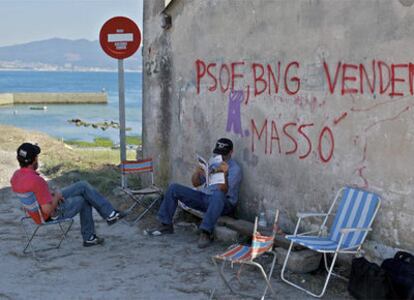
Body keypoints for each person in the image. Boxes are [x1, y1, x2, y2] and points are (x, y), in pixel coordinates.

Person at [10, 142, 126, 247]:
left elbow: (32, 194)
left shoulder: (16, 176)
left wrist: (50, 194)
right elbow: (47, 210)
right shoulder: (37, 181)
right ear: (34, 159)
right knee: (84, 198)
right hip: (50, 214)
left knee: (82, 186)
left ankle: (105, 220)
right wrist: (56, 197)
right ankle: (103, 222)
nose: (37, 159)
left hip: (36, 211)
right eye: (37, 157)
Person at [147, 138, 242, 248]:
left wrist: (224, 174)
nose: (221, 157)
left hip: (224, 204)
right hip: (205, 198)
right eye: (219, 153)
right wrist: (197, 172)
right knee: (174, 188)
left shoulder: (235, 169)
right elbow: (195, 183)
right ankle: (165, 224)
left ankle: (206, 232)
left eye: (224, 154)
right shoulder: (214, 162)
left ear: (231, 152)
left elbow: (223, 191)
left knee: (218, 195)